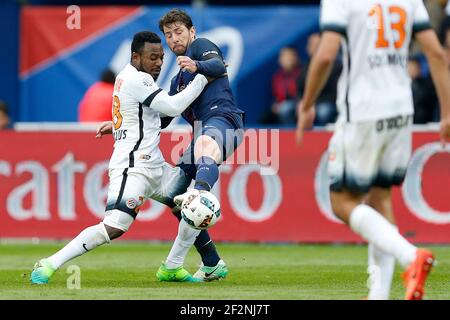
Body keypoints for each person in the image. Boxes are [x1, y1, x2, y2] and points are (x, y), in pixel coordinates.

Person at [295, 0, 450, 300]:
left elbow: (325, 55)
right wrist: (446, 113)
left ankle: (410, 256)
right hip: (402, 110)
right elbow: (436, 53)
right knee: (380, 198)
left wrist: (307, 104)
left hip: (364, 112)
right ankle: (379, 295)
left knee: (342, 202)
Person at [30, 31, 212, 284]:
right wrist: (202, 79)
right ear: (136, 56)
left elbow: (139, 115)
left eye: (161, 57)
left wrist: (115, 125)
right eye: (152, 57)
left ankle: (181, 266)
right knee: (114, 227)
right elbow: (172, 107)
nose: (159, 63)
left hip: (154, 165)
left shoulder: (127, 76)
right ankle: (50, 263)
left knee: (189, 208)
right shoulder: (138, 79)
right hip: (133, 167)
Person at [154, 8, 245, 281]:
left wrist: (198, 66)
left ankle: (200, 192)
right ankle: (212, 262)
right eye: (168, 35)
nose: (173, 39)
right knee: (172, 196)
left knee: (205, 142)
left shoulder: (201, 47)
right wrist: (125, 126)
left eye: (178, 32)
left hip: (224, 119)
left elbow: (218, 65)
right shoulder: (176, 80)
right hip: (201, 132)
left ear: (192, 32)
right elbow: (164, 118)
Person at [296, 33, 341, 126]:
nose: (313, 48)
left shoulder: (336, 66)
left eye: (317, 45)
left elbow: (335, 92)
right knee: (287, 109)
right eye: (311, 45)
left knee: (323, 111)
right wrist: (302, 103)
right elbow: (299, 89)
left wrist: (309, 104)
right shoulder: (304, 67)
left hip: (327, 102)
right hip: (309, 103)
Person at [270, 47, 301, 125]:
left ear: (295, 58)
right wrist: (276, 104)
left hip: (299, 103)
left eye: (289, 56)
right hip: (282, 104)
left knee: (285, 108)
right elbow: (275, 95)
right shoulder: (277, 76)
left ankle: (291, 134)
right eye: (283, 56)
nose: (286, 59)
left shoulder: (301, 73)